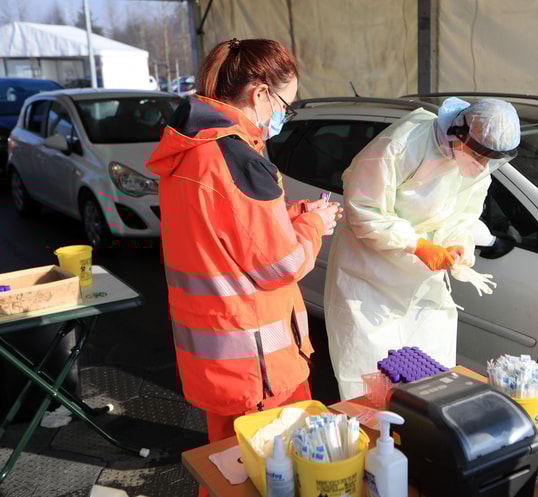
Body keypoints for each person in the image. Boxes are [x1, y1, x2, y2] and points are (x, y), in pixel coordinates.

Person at [146, 38, 340, 491]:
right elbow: (281, 265)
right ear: (259, 94)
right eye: (284, 107)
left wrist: (293, 215)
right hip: (260, 366)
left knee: (226, 472)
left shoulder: (191, 151)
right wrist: (315, 227)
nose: (281, 119)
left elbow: (224, 238)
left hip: (218, 358)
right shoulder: (239, 160)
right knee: (269, 475)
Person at [324, 97, 521, 399]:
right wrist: (415, 244)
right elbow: (362, 208)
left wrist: (458, 242)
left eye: (489, 160)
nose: (482, 166)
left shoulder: (477, 165)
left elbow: (464, 214)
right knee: (369, 377)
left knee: (433, 375)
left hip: (420, 280)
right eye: (478, 156)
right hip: (367, 276)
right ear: (458, 132)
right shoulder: (403, 144)